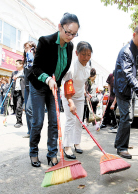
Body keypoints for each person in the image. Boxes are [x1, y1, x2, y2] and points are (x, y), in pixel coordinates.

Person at [27, 13, 79, 168]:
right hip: (39, 85)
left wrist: (56, 82)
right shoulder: (45, 41)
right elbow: (35, 68)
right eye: (67, 32)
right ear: (59, 27)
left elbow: (63, 70)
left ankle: (52, 154)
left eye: (74, 34)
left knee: (55, 122)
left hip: (53, 87)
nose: (70, 36)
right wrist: (48, 79)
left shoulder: (70, 46)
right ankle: (33, 152)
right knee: (38, 122)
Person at [113, 24, 138, 159]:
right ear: (134, 35)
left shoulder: (137, 52)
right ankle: (122, 147)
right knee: (126, 117)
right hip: (123, 89)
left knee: (129, 118)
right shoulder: (126, 52)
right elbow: (128, 75)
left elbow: (137, 73)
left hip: (131, 89)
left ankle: (121, 142)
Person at [62, 41, 92, 159]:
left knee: (79, 121)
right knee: (70, 119)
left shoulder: (88, 64)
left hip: (80, 96)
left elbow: (83, 80)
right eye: (83, 54)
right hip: (68, 94)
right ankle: (67, 146)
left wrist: (84, 91)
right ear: (76, 53)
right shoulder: (71, 67)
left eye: (88, 54)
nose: (86, 57)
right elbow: (67, 85)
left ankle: (76, 142)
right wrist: (70, 101)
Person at [23, 41, 37, 138]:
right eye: (25, 48)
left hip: (34, 86)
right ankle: (30, 130)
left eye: (28, 47)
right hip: (26, 87)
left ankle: (33, 131)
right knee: (27, 110)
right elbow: (26, 72)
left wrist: (30, 54)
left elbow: (32, 67)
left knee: (29, 109)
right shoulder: (26, 59)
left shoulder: (34, 57)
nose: (26, 49)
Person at [11, 59, 25, 128]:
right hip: (15, 91)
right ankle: (18, 120)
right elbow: (11, 83)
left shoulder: (24, 72)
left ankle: (19, 122)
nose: (15, 65)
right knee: (15, 107)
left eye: (17, 64)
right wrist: (10, 93)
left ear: (21, 64)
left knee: (18, 107)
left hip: (21, 92)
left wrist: (19, 77)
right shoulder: (14, 73)